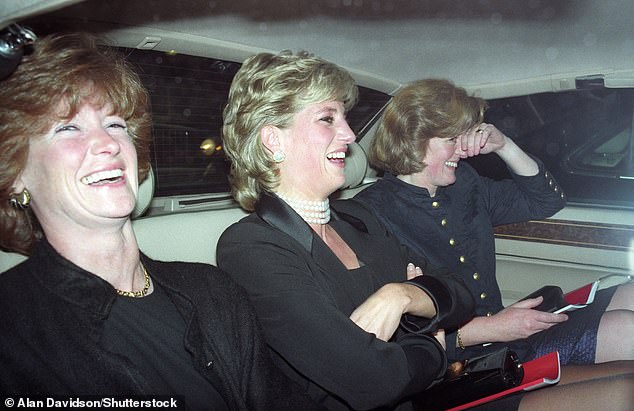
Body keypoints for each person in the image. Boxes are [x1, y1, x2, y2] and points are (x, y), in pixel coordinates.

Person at [217, 52, 633, 411]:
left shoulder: (356, 223)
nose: (348, 134)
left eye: (344, 118)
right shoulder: (251, 245)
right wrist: (434, 330)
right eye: (329, 118)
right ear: (273, 140)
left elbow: (458, 293)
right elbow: (370, 378)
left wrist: (401, 295)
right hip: (432, 389)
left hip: (431, 382)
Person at [0, 32, 324, 411]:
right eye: (67, 128)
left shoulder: (213, 291)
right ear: (15, 172)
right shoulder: (11, 328)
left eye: (116, 124)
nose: (107, 143)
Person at [354, 78, 634, 366]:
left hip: (505, 334)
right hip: (461, 361)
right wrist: (492, 328)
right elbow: (390, 332)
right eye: (452, 140)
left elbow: (547, 200)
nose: (463, 150)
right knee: (627, 331)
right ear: (413, 139)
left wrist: (504, 146)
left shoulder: (464, 184)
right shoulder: (372, 213)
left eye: (464, 137)